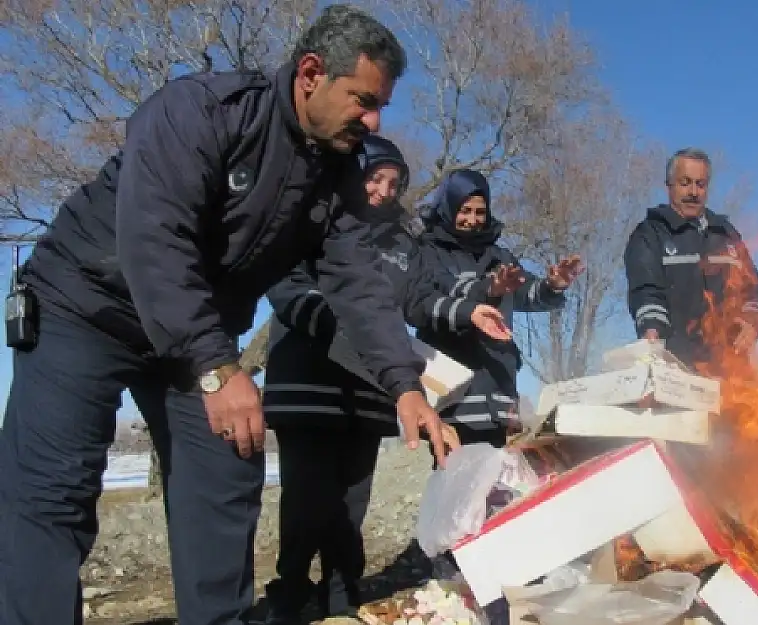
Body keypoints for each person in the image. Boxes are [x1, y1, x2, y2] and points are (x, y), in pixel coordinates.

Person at [0, 7, 457, 625]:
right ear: (311, 74)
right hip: (83, 308)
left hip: (192, 332)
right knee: (50, 495)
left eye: (381, 107)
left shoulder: (335, 175)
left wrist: (405, 386)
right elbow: (155, 243)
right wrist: (217, 367)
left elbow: (359, 286)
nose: (374, 121)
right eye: (364, 100)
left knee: (226, 471)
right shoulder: (201, 112)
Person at [260, 136, 509, 623]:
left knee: (352, 503)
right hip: (310, 383)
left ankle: (341, 594)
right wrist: (329, 322)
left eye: (394, 183)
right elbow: (287, 282)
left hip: (369, 387)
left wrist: (467, 311)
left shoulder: (403, 244)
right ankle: (289, 594)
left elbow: (416, 303)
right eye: (375, 178)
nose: (382, 191)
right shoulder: (315, 216)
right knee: (308, 498)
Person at [623, 147, 758, 536]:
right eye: (685, 182)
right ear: (669, 185)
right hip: (679, 378)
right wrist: (652, 338)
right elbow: (646, 292)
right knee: (700, 465)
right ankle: (700, 545)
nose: (693, 191)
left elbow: (756, 290)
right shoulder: (650, 234)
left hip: (733, 379)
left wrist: (753, 321)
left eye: (700, 183)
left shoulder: (728, 237)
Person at [414, 169, 583, 449]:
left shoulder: (499, 256)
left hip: (500, 390)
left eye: (479, 212)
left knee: (505, 482)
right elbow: (434, 297)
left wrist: (553, 285)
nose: (472, 219)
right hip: (455, 394)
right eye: (464, 210)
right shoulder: (427, 252)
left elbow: (527, 292)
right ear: (447, 207)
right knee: (460, 482)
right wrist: (489, 290)